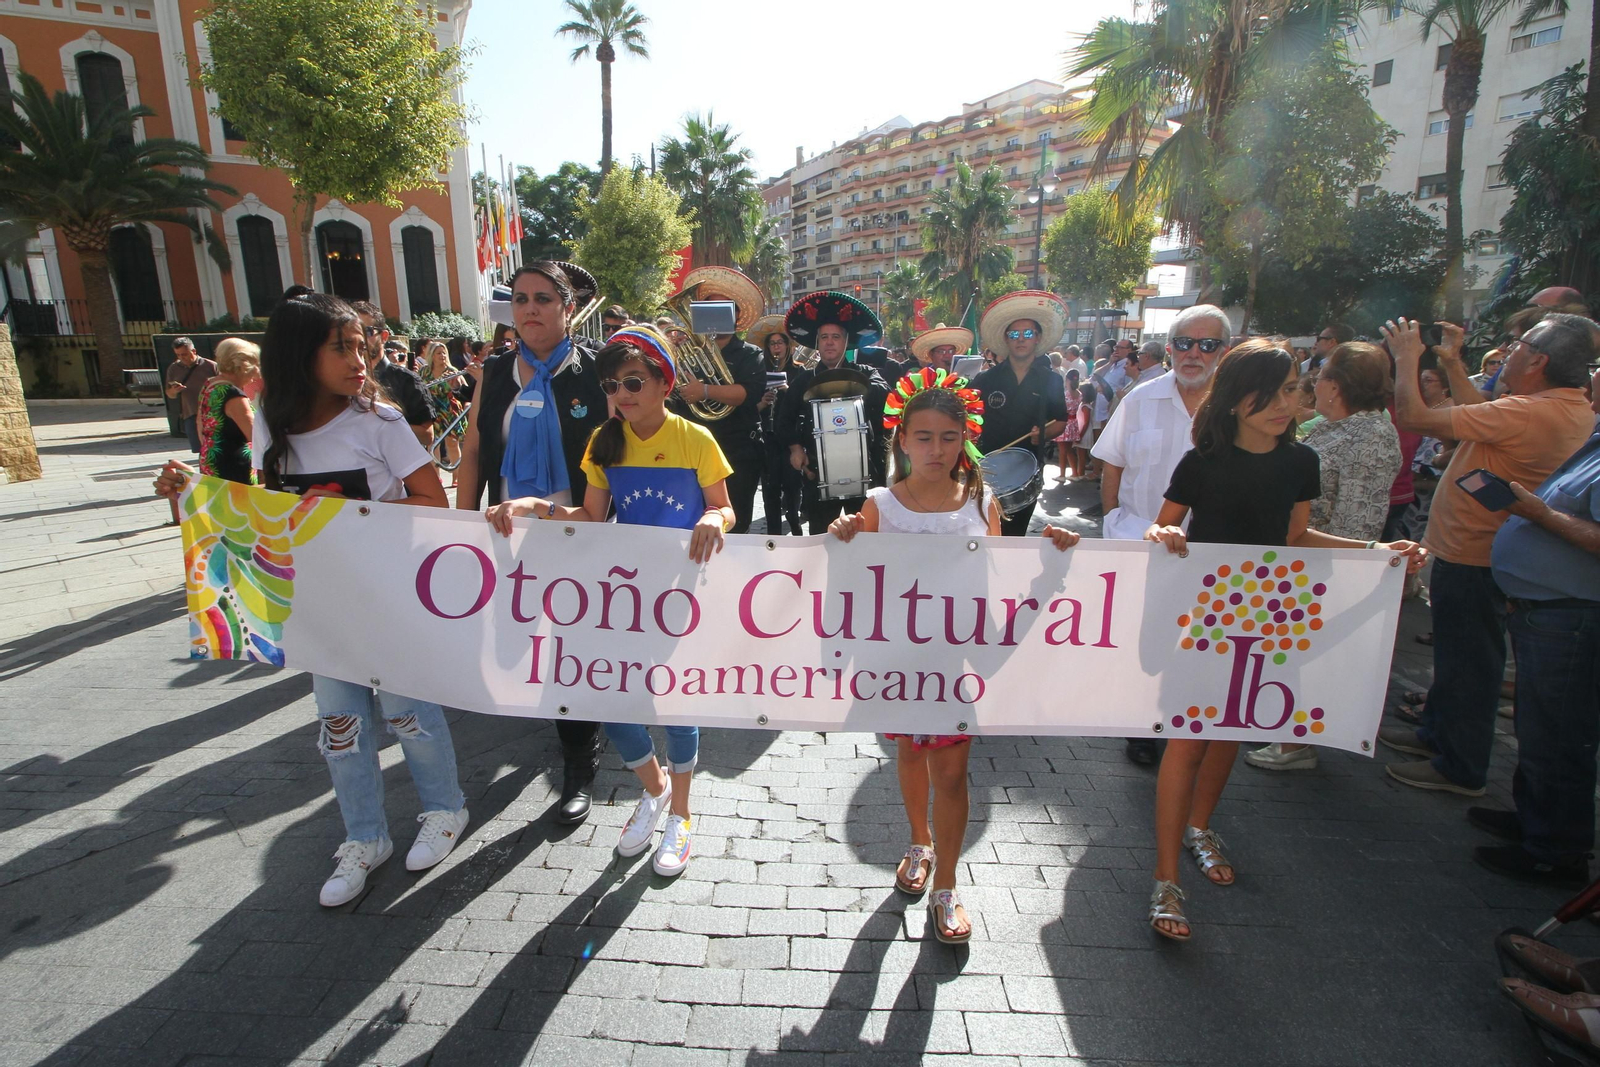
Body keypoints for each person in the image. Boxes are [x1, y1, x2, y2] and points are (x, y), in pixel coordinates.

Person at [155, 291, 468, 907]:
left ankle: (444, 810)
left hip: (389, 598)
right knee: (341, 726)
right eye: (342, 347)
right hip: (319, 607)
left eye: (361, 345)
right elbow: (262, 511)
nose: (360, 359)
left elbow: (436, 503)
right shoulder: (272, 416)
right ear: (301, 354)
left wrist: (351, 513)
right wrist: (187, 494)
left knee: (410, 715)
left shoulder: (379, 420)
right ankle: (365, 837)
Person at [1144, 339, 1426, 940]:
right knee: (1188, 737)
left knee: (1231, 729)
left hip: (1271, 610)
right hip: (1202, 610)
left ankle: (1201, 827)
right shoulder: (1202, 460)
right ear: (1236, 400)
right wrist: (1163, 533)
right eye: (1270, 395)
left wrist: (1377, 551)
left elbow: (1298, 536)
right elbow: (1165, 519)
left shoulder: (1302, 462)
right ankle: (1166, 877)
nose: (1285, 405)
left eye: (1292, 392)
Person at [829, 368, 1079, 943]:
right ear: (902, 440)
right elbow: (843, 578)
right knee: (910, 756)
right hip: (895, 661)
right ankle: (918, 841)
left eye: (948, 436)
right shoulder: (877, 505)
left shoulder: (981, 501)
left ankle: (946, 882)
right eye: (924, 437)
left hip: (954, 661)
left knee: (954, 771)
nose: (936, 448)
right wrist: (838, 535)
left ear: (963, 437)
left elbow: (997, 576)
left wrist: (1052, 555)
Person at [486, 326, 733, 878]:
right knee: (609, 696)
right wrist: (534, 505)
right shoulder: (605, 440)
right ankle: (657, 791)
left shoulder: (695, 438)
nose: (622, 392)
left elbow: (724, 507)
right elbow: (592, 518)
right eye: (612, 383)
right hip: (621, 589)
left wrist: (714, 517)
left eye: (633, 381)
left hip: (680, 589)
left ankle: (683, 817)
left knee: (674, 702)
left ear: (664, 383)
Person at [1380, 315, 1596, 797]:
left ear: (1538, 361)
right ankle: (1436, 733)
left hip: (1475, 556)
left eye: (1517, 345)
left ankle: (1460, 763)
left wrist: (1408, 358)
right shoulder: (1551, 407)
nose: (1508, 350)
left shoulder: (1527, 412)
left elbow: (1415, 417)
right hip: (1476, 552)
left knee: (1470, 663)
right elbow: (1482, 415)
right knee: (1461, 657)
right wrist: (1454, 363)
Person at [456, 261, 610, 825]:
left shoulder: (599, 372)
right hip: (506, 529)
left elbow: (620, 452)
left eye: (544, 298)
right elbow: (473, 449)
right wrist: (460, 524)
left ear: (569, 308)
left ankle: (580, 761)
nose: (530, 309)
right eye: (520, 299)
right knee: (517, 639)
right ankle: (568, 717)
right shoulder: (494, 372)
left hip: (579, 531)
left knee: (569, 646)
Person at [1474, 349, 1600, 884]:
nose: (1592, 377)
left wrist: (1539, 514)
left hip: (1570, 615)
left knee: (1558, 733)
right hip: (1545, 607)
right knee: (1539, 725)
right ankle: (1535, 820)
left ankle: (1555, 849)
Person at [1248, 342, 1403, 772]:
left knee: (1305, 652)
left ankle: (1295, 742)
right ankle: (1281, 727)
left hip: (1321, 565)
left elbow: (1358, 518)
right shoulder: (1334, 426)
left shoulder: (1369, 435)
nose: (1315, 384)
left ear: (1335, 386)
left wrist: (1346, 569)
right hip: (1297, 558)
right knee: (1286, 650)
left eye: (1321, 377)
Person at [1091, 305, 1231, 767]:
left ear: (1223, 352)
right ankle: (1140, 727)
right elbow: (1112, 462)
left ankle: (1182, 723)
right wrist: (1112, 519)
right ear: (1169, 348)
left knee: (1195, 645)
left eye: (1207, 344)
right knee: (1145, 643)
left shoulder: (1237, 410)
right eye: (1184, 343)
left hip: (1209, 552)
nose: (1194, 353)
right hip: (1140, 541)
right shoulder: (1139, 398)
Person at [776, 290, 891, 534]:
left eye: (836, 337)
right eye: (825, 337)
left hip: (865, 471)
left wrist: (854, 383)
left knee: (867, 537)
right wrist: (796, 448)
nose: (830, 342)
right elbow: (782, 418)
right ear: (817, 343)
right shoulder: (804, 379)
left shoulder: (867, 372)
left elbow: (885, 396)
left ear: (845, 342)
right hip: (816, 472)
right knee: (820, 538)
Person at [667, 267, 767, 535]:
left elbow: (750, 393)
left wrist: (706, 392)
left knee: (737, 522)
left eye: (721, 308)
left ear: (735, 317)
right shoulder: (687, 351)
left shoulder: (750, 353)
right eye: (706, 308)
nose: (712, 314)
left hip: (738, 448)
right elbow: (675, 397)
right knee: (691, 520)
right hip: (694, 450)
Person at [970, 290, 1070, 536]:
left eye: (1028, 333)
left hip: (1027, 471)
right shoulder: (985, 378)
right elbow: (970, 418)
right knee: (983, 536)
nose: (1021, 339)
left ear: (1037, 338)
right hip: (987, 470)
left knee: (1014, 538)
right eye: (1014, 334)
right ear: (1006, 339)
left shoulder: (1051, 380)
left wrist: (1043, 433)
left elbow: (1062, 421)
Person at [351, 301, 434, 449]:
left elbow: (427, 435)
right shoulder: (344, 378)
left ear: (383, 336)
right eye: (353, 331)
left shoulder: (407, 379)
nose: (360, 339)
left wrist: (382, 422)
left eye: (367, 331)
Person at [750, 318, 806, 536]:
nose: (776, 347)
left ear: (787, 346)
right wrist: (763, 402)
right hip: (768, 436)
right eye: (772, 344)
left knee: (793, 486)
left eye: (780, 343)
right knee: (770, 488)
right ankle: (773, 535)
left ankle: (794, 519)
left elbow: (805, 403)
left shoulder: (799, 372)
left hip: (791, 437)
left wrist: (787, 390)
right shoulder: (759, 372)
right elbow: (750, 408)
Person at [196, 338, 261, 485]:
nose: (256, 374)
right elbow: (256, 437)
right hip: (234, 465)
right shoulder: (234, 395)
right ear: (243, 366)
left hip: (211, 459)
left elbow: (199, 422)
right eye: (255, 365)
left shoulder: (210, 385)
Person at [417, 339, 466, 474]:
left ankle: (457, 475)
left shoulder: (452, 371)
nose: (442, 356)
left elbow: (462, 390)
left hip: (449, 409)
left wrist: (455, 384)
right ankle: (436, 476)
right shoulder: (424, 371)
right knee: (432, 443)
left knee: (452, 443)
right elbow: (418, 389)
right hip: (431, 409)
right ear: (431, 355)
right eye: (438, 353)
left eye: (444, 353)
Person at [164, 337, 219, 454]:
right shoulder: (174, 368)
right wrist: (175, 390)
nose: (181, 358)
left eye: (184, 354)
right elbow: (169, 394)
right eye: (178, 355)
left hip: (212, 412)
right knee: (200, 451)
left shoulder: (211, 366)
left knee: (215, 448)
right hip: (190, 413)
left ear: (193, 351)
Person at [1054, 369, 1084, 482]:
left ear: (1067, 380)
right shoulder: (1079, 394)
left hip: (1065, 422)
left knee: (1062, 450)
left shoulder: (1065, 394)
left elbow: (1061, 408)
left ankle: (1062, 474)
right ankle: (1074, 473)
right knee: (1069, 450)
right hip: (1074, 423)